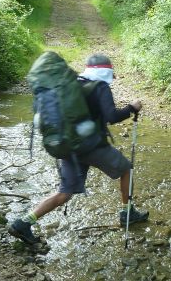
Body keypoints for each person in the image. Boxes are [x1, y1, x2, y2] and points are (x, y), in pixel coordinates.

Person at [8, 54, 150, 252]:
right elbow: (112, 117)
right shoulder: (100, 87)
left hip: (69, 148)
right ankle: (127, 213)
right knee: (127, 170)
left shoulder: (70, 85)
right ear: (106, 71)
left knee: (64, 193)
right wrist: (131, 108)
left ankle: (23, 223)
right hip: (92, 146)